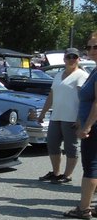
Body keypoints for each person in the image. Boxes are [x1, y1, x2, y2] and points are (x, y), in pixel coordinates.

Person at [38, 47, 88, 184]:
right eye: (69, 57)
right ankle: (56, 173)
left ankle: (67, 174)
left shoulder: (81, 75)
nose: (71, 59)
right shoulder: (59, 75)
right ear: (64, 59)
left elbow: (83, 98)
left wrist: (80, 118)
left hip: (71, 117)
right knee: (52, 144)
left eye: (74, 57)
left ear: (78, 59)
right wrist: (43, 113)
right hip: (56, 116)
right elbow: (52, 95)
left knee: (70, 147)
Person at [64, 33, 97, 219]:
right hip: (91, 124)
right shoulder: (94, 70)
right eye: (89, 47)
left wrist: (87, 127)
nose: (91, 51)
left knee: (91, 166)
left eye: (96, 47)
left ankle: (84, 208)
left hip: (94, 127)